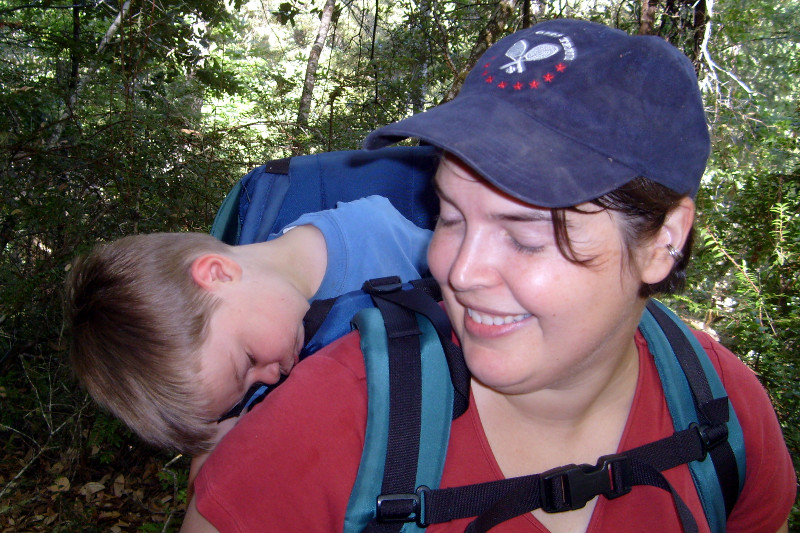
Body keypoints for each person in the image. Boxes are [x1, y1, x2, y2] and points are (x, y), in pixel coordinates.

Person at [182, 19, 796, 533]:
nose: (458, 270)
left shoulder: (722, 419)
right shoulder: (325, 427)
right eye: (449, 217)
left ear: (664, 240)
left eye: (527, 237)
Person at [66, 195, 432, 455]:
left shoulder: (376, 235)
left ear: (219, 274)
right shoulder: (261, 330)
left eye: (248, 361)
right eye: (247, 390)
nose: (270, 378)